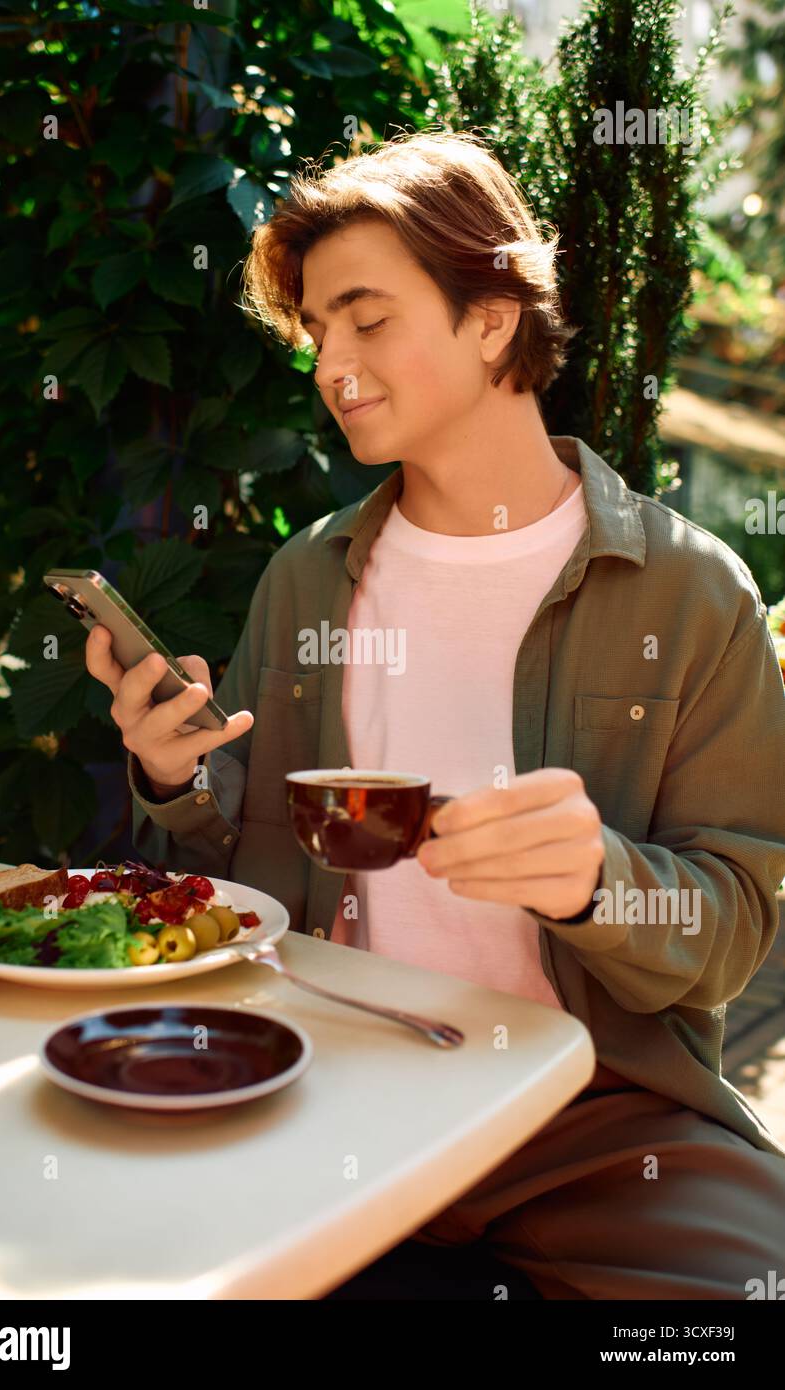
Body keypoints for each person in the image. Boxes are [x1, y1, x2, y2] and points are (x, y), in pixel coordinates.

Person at [85, 129, 785, 1299]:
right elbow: (238, 849)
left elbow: (733, 929)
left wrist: (596, 881)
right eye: (316, 333)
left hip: (596, 1120)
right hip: (317, 1081)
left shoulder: (687, 586)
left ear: (491, 317)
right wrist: (176, 781)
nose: (329, 362)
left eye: (366, 318)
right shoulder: (306, 577)